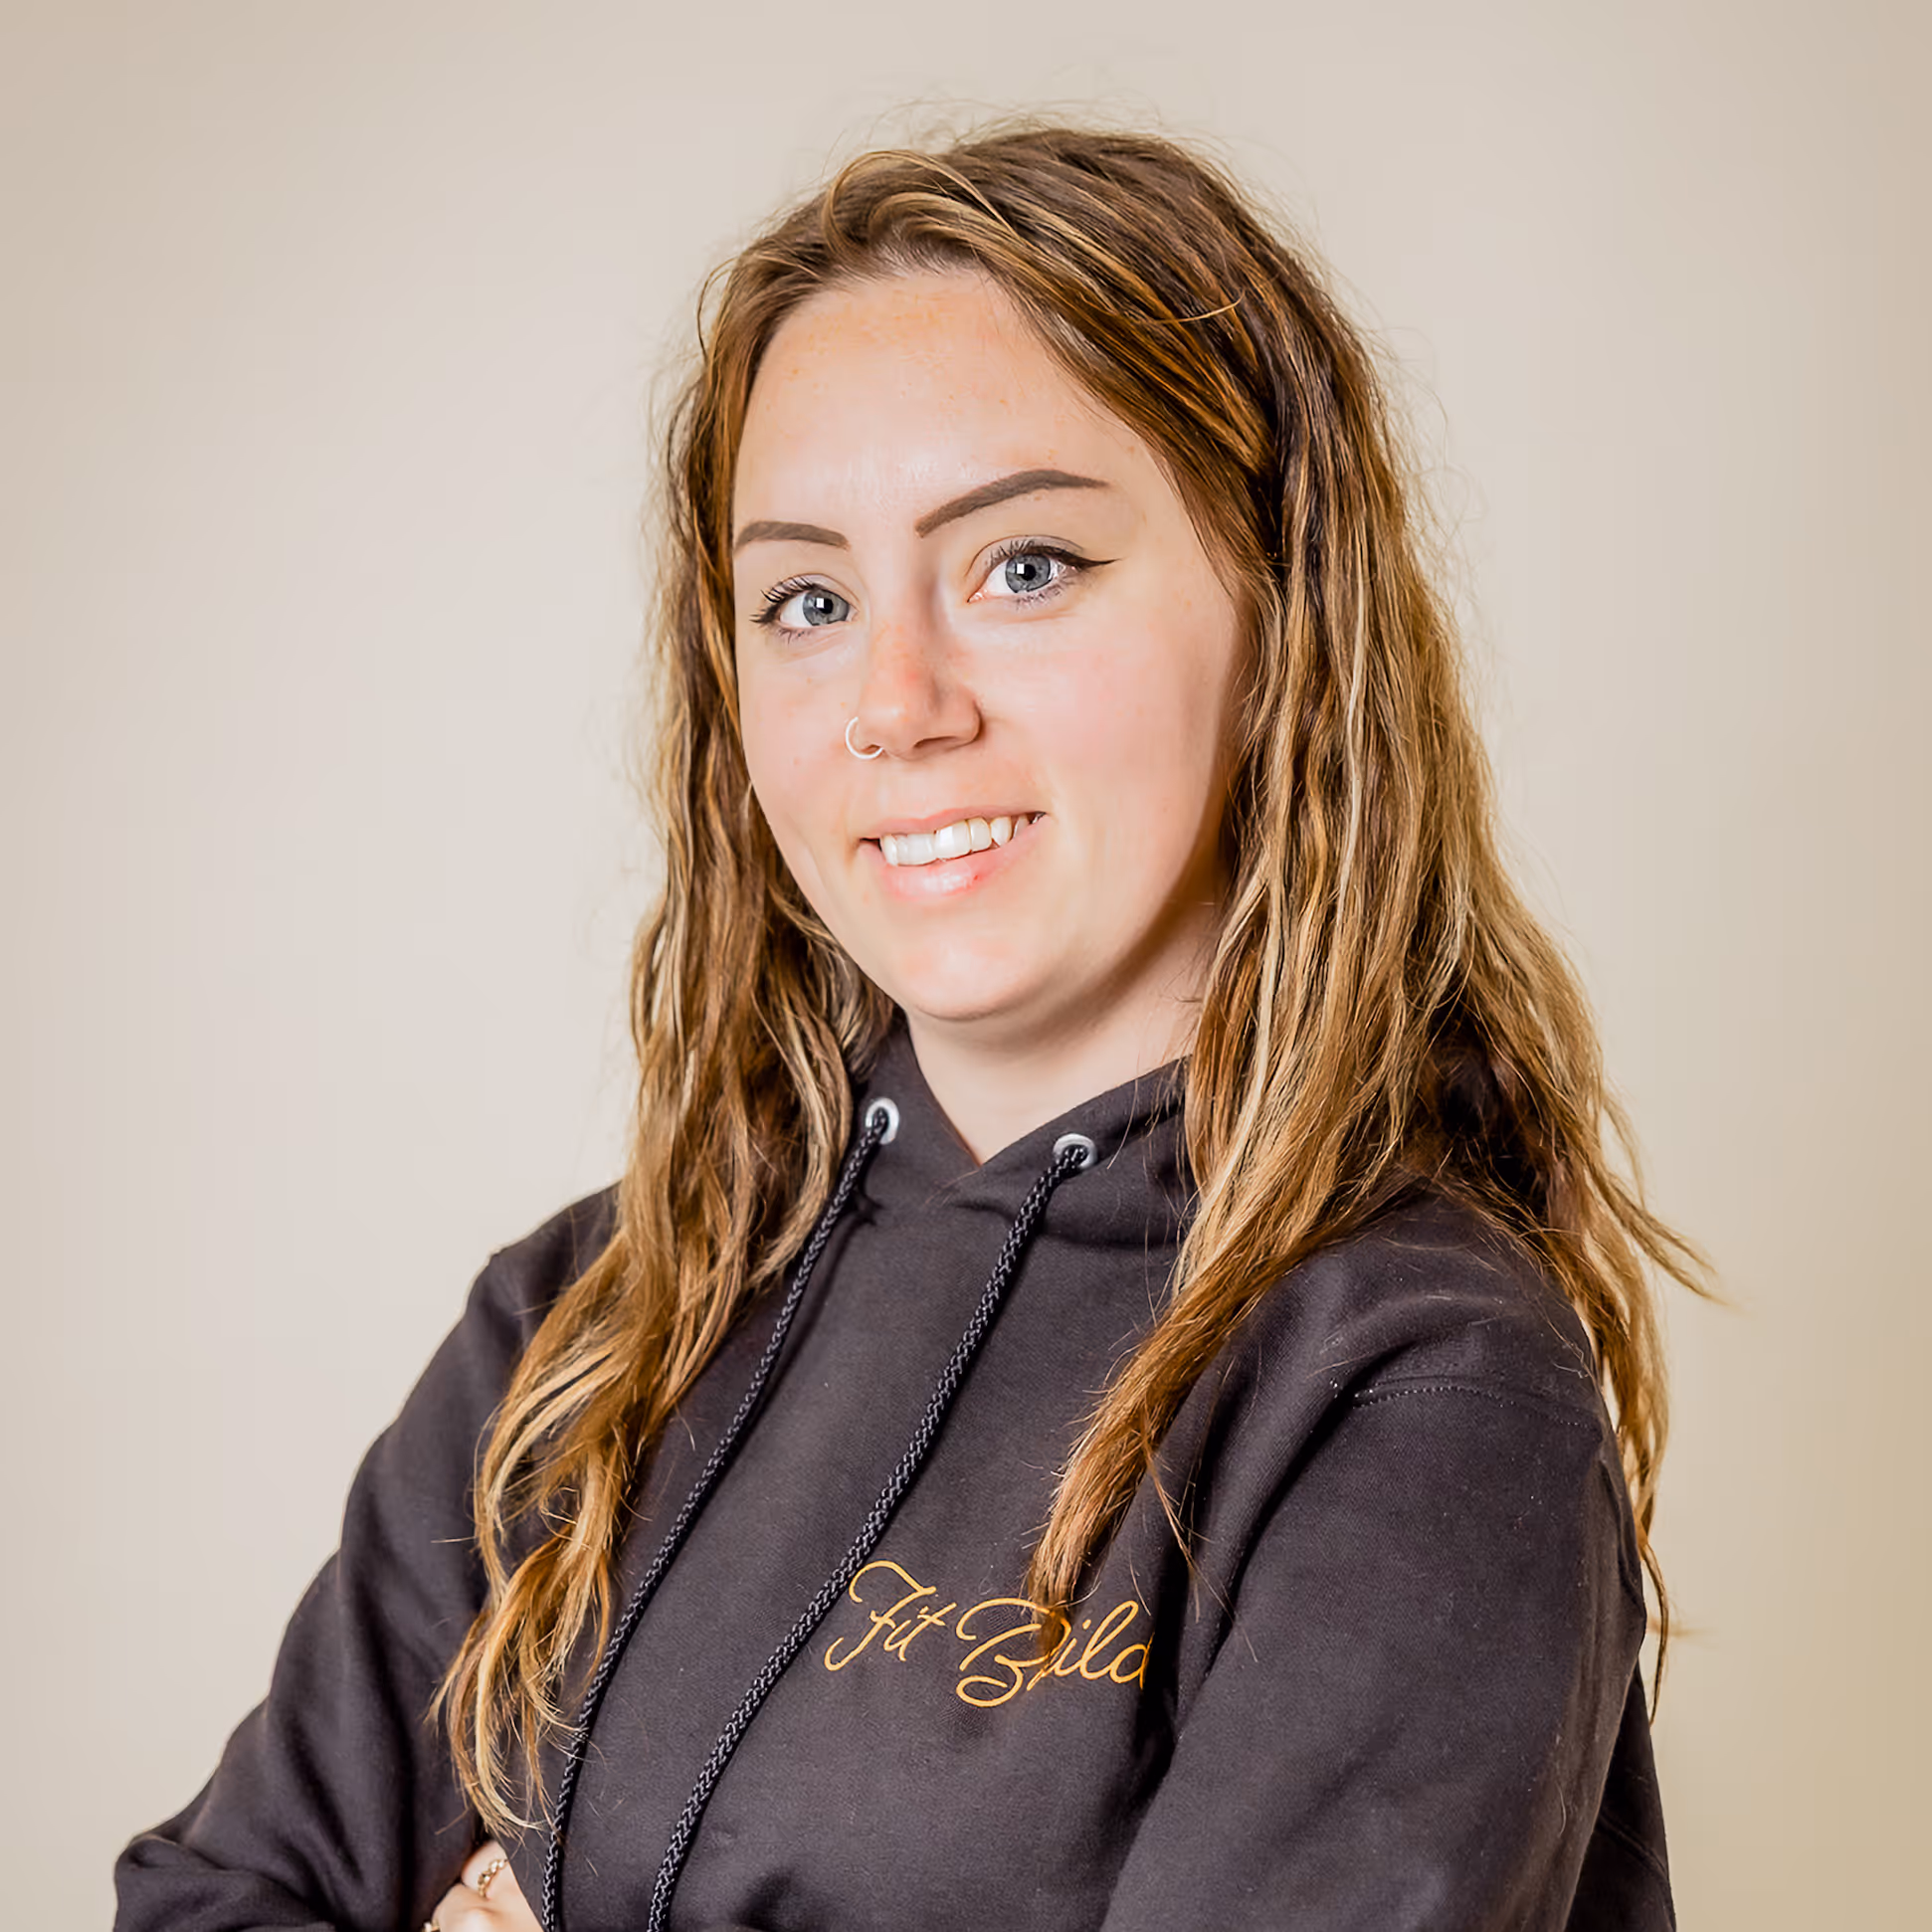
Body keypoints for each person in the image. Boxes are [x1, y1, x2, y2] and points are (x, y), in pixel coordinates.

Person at [114, 119, 1707, 1932]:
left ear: (1280, 614)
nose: (892, 702)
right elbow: (209, 1900)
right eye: (806, 599)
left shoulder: (1411, 1394)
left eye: (1023, 566)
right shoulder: (584, 1329)